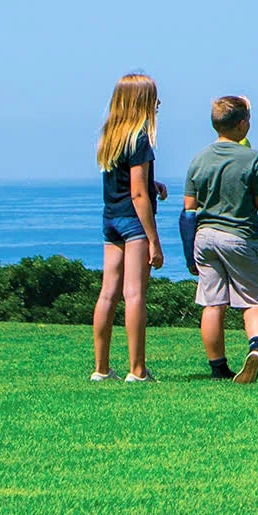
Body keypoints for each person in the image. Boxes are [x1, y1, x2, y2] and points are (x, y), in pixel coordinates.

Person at [183, 95, 258, 383]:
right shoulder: (252, 158)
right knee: (252, 301)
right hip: (240, 237)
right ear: (242, 125)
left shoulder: (198, 159)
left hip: (205, 237)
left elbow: (189, 208)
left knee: (213, 304)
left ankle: (218, 367)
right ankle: (256, 348)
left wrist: (188, 252)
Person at [91, 73, 167, 382]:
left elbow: (125, 181)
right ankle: (137, 370)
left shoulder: (110, 136)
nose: (158, 103)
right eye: (154, 97)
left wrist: (152, 184)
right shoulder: (140, 138)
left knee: (108, 293)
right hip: (133, 222)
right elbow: (137, 194)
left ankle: (101, 368)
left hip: (111, 219)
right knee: (134, 294)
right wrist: (154, 240)